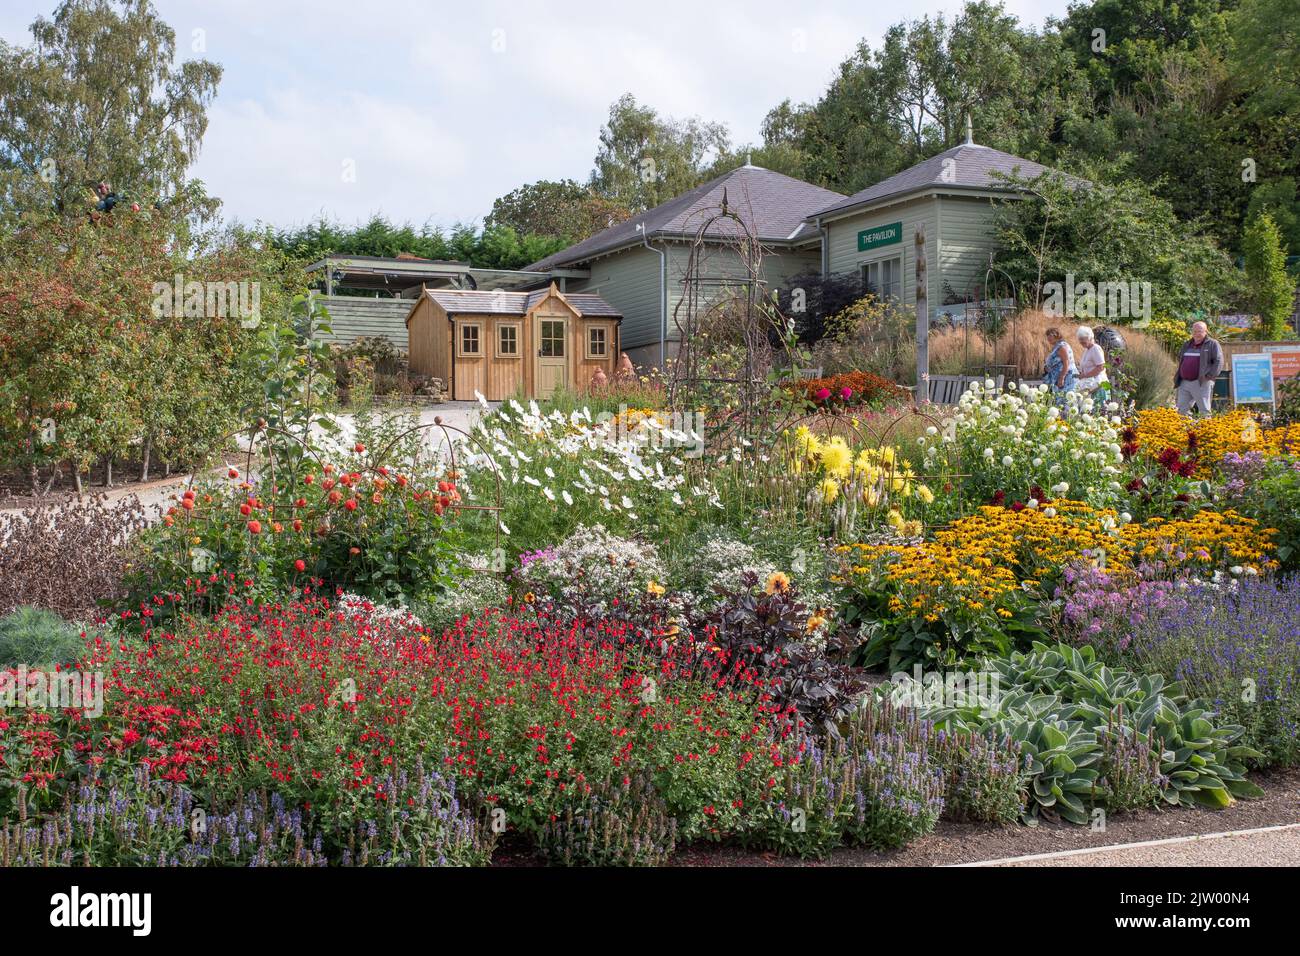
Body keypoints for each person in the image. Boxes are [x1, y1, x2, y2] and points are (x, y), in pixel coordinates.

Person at [1174, 321, 1223, 417]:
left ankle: (1207, 431)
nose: (1197, 334)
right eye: (1194, 331)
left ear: (1206, 331)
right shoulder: (1187, 344)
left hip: (1201, 382)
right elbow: (1181, 360)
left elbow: (1218, 361)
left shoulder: (1212, 344)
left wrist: (1209, 377)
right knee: (1181, 411)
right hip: (1184, 382)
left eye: (1199, 331)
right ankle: (1185, 431)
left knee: (1204, 411)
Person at [1074, 325, 1109, 402]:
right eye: (1080, 339)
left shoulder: (1096, 348)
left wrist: (1085, 375)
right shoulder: (1087, 350)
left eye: (1083, 339)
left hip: (1099, 385)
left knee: (1099, 410)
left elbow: (1101, 367)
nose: (1081, 342)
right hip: (1091, 385)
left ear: (1090, 338)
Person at [1043, 327, 1077, 399]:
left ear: (1056, 335)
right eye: (1047, 335)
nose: (1048, 337)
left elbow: (1066, 363)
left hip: (1065, 378)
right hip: (1057, 377)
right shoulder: (1057, 346)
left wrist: (1061, 378)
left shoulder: (1062, 347)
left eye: (1050, 335)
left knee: (1063, 399)